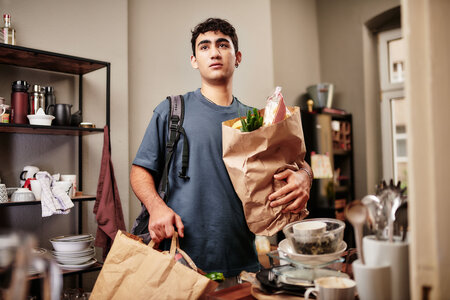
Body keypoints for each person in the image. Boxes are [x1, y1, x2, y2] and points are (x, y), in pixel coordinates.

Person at [130, 18, 312, 278]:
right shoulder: (172, 111)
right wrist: (156, 206)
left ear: (237, 57)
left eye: (222, 45)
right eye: (204, 47)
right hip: (180, 262)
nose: (214, 52)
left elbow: (295, 163)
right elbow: (139, 171)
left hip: (244, 262)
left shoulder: (256, 120)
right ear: (194, 60)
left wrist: (305, 176)